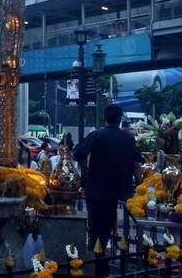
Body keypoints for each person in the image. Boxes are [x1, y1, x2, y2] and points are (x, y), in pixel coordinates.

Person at [73, 104, 142, 277]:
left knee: (96, 230)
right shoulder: (128, 139)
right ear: (120, 120)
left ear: (105, 118)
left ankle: (96, 266)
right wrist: (140, 186)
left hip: (96, 191)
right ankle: (102, 265)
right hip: (118, 193)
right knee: (107, 230)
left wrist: (86, 175)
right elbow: (136, 165)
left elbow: (78, 153)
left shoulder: (97, 135)